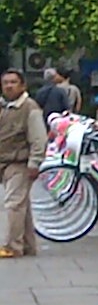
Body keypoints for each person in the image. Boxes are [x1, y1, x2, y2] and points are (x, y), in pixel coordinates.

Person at [0, 69, 47, 259]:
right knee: (21, 205)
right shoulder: (4, 107)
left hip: (20, 162)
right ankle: (28, 246)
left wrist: (35, 162)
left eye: (13, 82)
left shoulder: (30, 107)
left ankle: (12, 246)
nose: (9, 86)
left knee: (13, 204)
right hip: (4, 162)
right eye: (5, 83)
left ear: (22, 86)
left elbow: (39, 138)